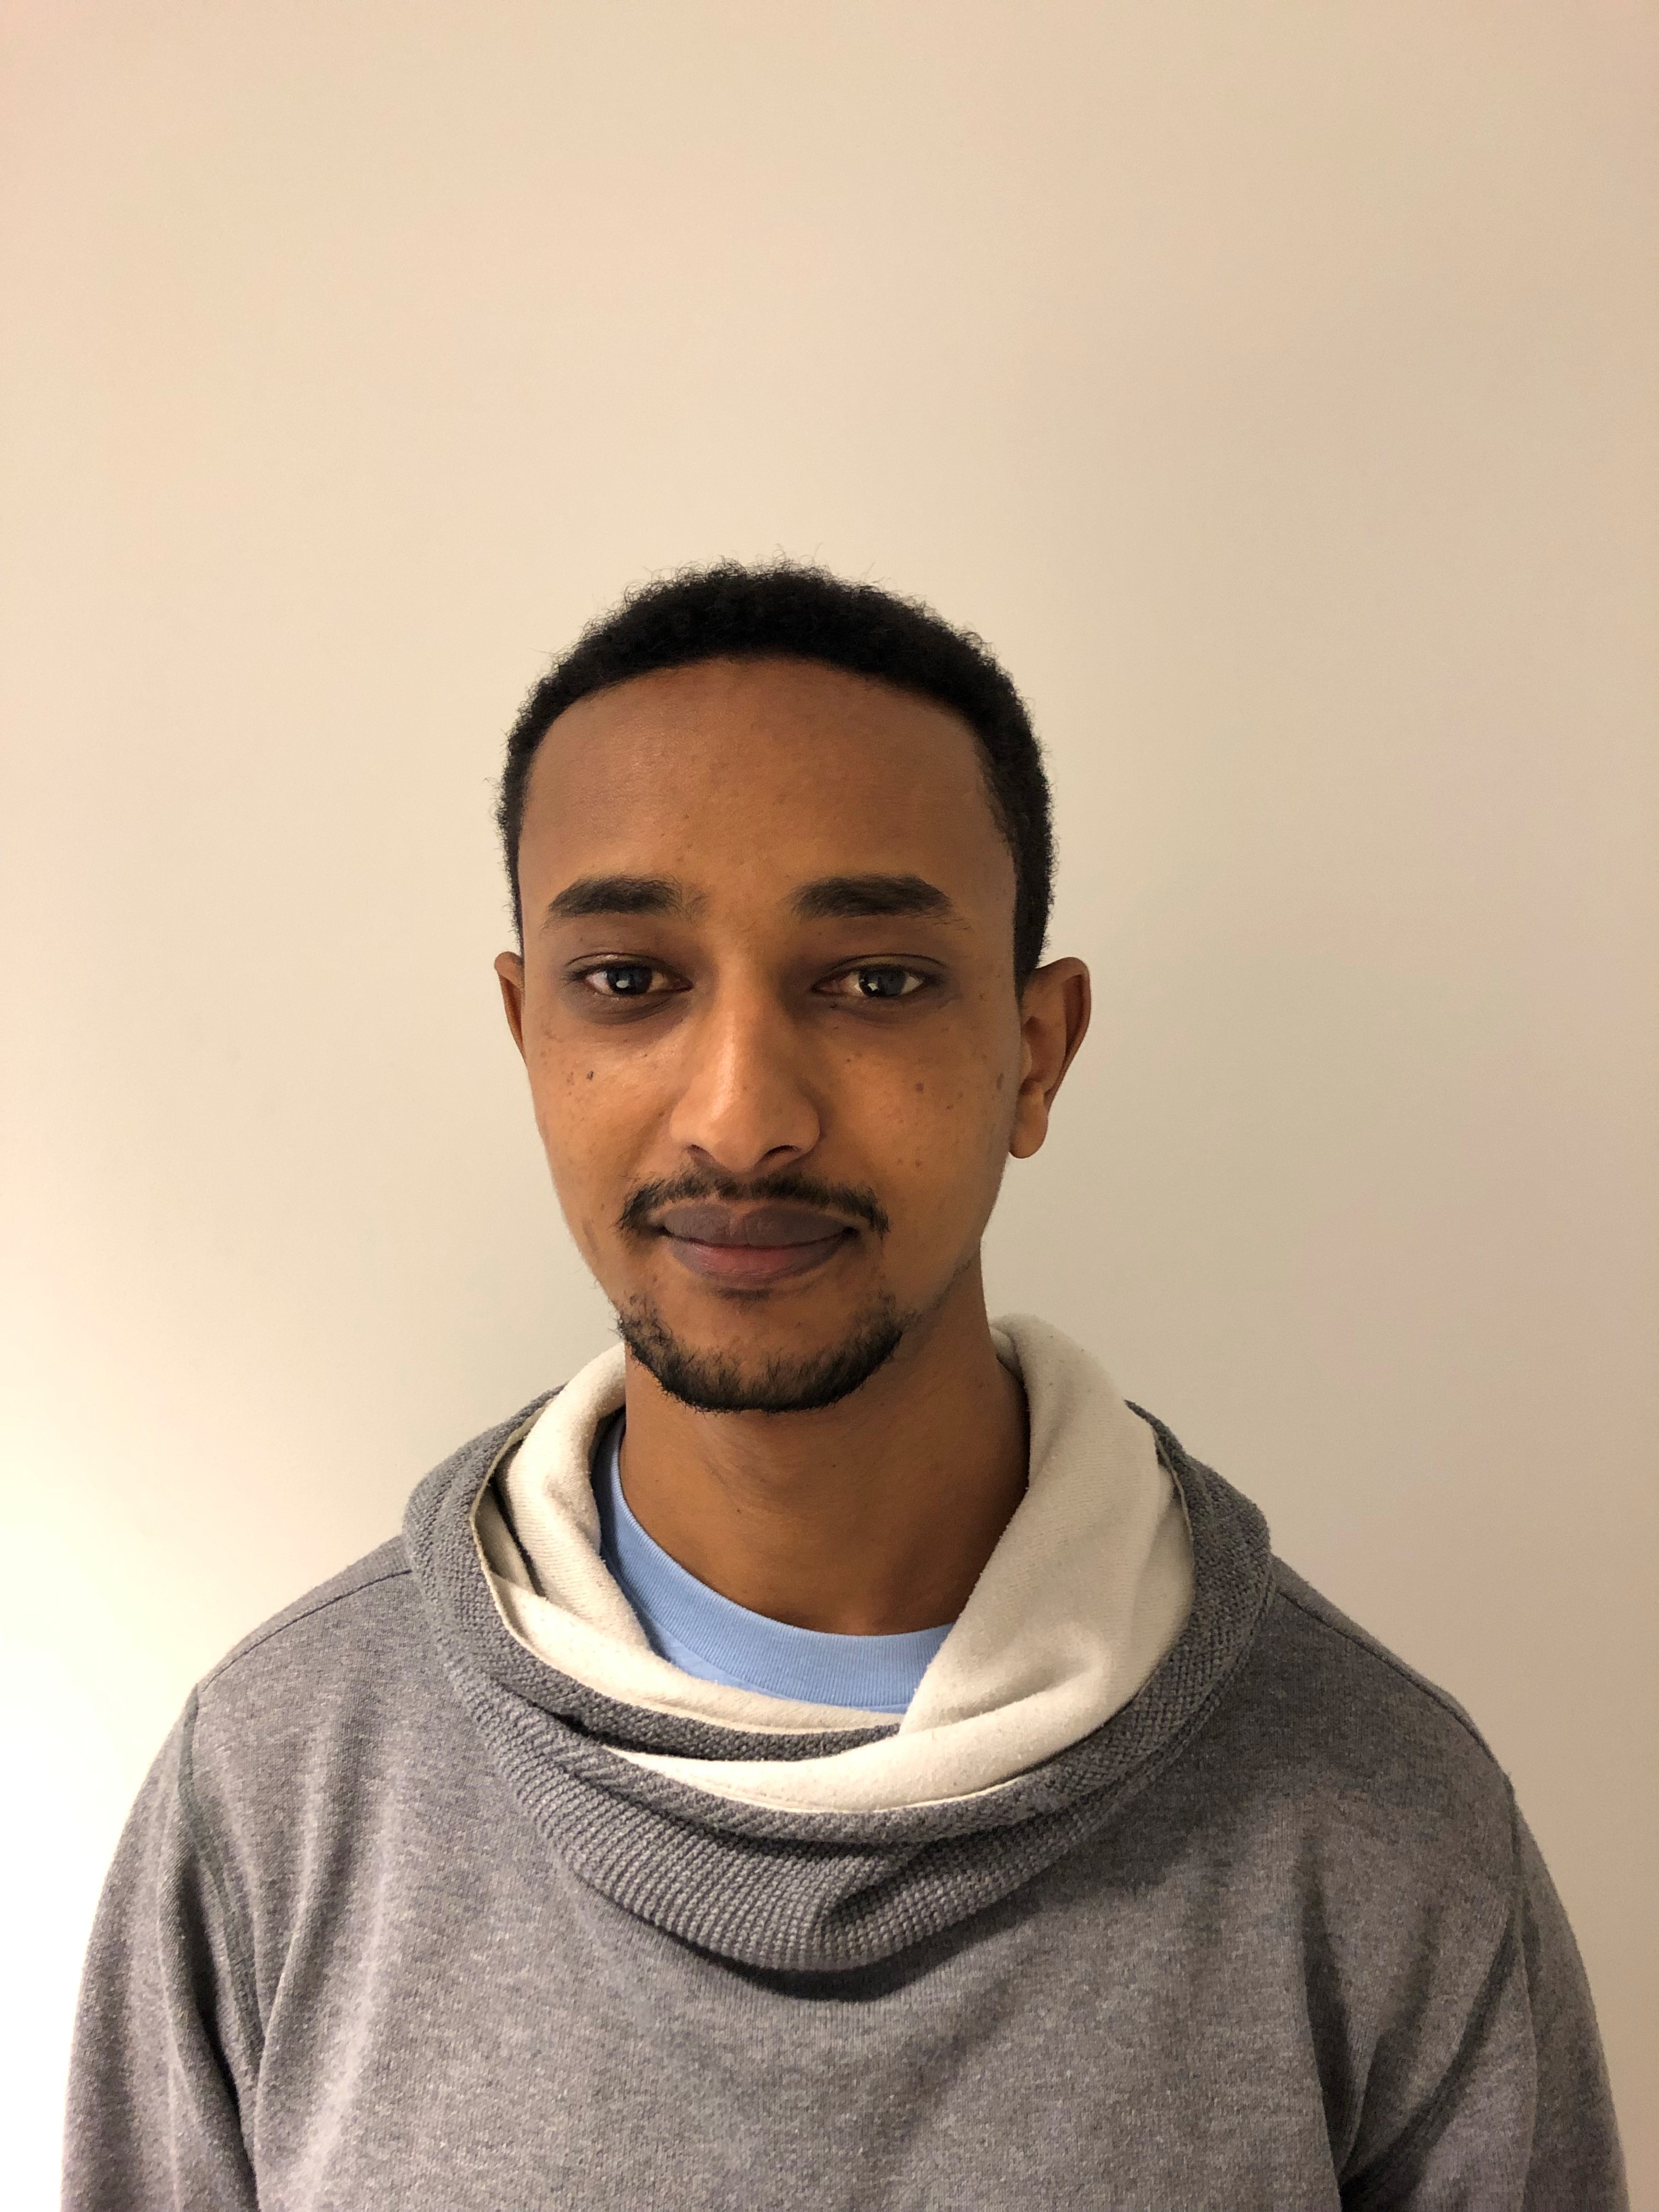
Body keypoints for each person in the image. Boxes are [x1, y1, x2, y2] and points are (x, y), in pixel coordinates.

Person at [65, 564, 1626, 2210]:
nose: (742, 1119)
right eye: (630, 980)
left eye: (875, 979)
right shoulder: (277, 1793)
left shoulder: (1387, 1833)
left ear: (1036, 1052)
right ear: (527, 1034)